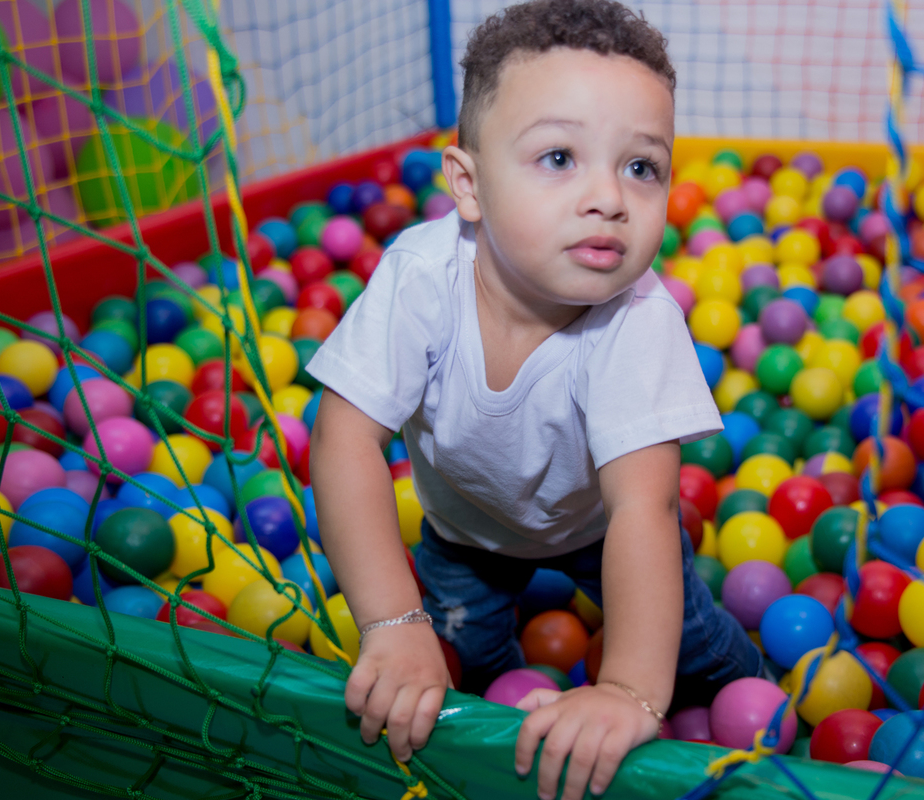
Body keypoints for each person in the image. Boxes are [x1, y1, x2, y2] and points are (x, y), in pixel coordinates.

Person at [307, 1, 760, 797]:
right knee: (469, 665)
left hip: (594, 529)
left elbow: (642, 512)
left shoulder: (637, 320)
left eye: (641, 166)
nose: (609, 198)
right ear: (468, 186)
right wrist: (391, 622)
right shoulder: (421, 277)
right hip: (463, 532)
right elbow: (345, 438)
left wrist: (626, 690)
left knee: (693, 650)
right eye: (559, 157)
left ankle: (761, 701)